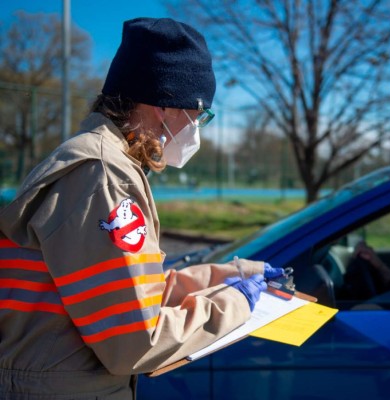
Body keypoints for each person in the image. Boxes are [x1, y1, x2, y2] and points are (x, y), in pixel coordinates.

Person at [0, 18, 283, 399]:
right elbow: (135, 342)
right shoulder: (104, 176)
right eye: (198, 114)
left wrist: (229, 275)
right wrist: (235, 304)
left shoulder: (94, 161)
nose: (197, 128)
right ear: (165, 105)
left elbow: (127, 290)